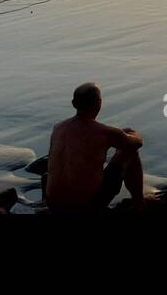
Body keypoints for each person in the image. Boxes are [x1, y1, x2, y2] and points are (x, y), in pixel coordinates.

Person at [46, 83, 145, 213]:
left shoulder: (58, 128)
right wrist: (132, 133)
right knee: (128, 151)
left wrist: (118, 134)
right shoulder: (104, 133)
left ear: (73, 103)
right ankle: (140, 204)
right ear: (99, 103)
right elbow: (136, 143)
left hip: (53, 205)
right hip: (87, 206)